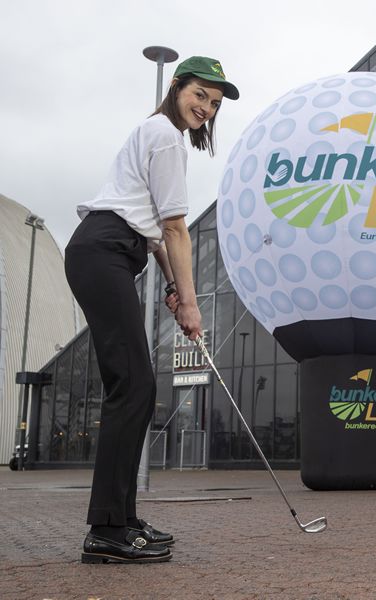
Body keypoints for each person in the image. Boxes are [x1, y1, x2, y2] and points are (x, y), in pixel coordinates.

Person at [65, 56, 239, 563]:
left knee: (135, 387)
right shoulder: (165, 135)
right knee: (133, 385)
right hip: (104, 251)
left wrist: (167, 279)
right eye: (200, 94)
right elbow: (175, 228)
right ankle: (106, 531)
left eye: (214, 103)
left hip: (111, 251)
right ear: (178, 86)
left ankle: (124, 520)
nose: (205, 107)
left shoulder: (160, 134)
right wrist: (188, 303)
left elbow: (155, 230)